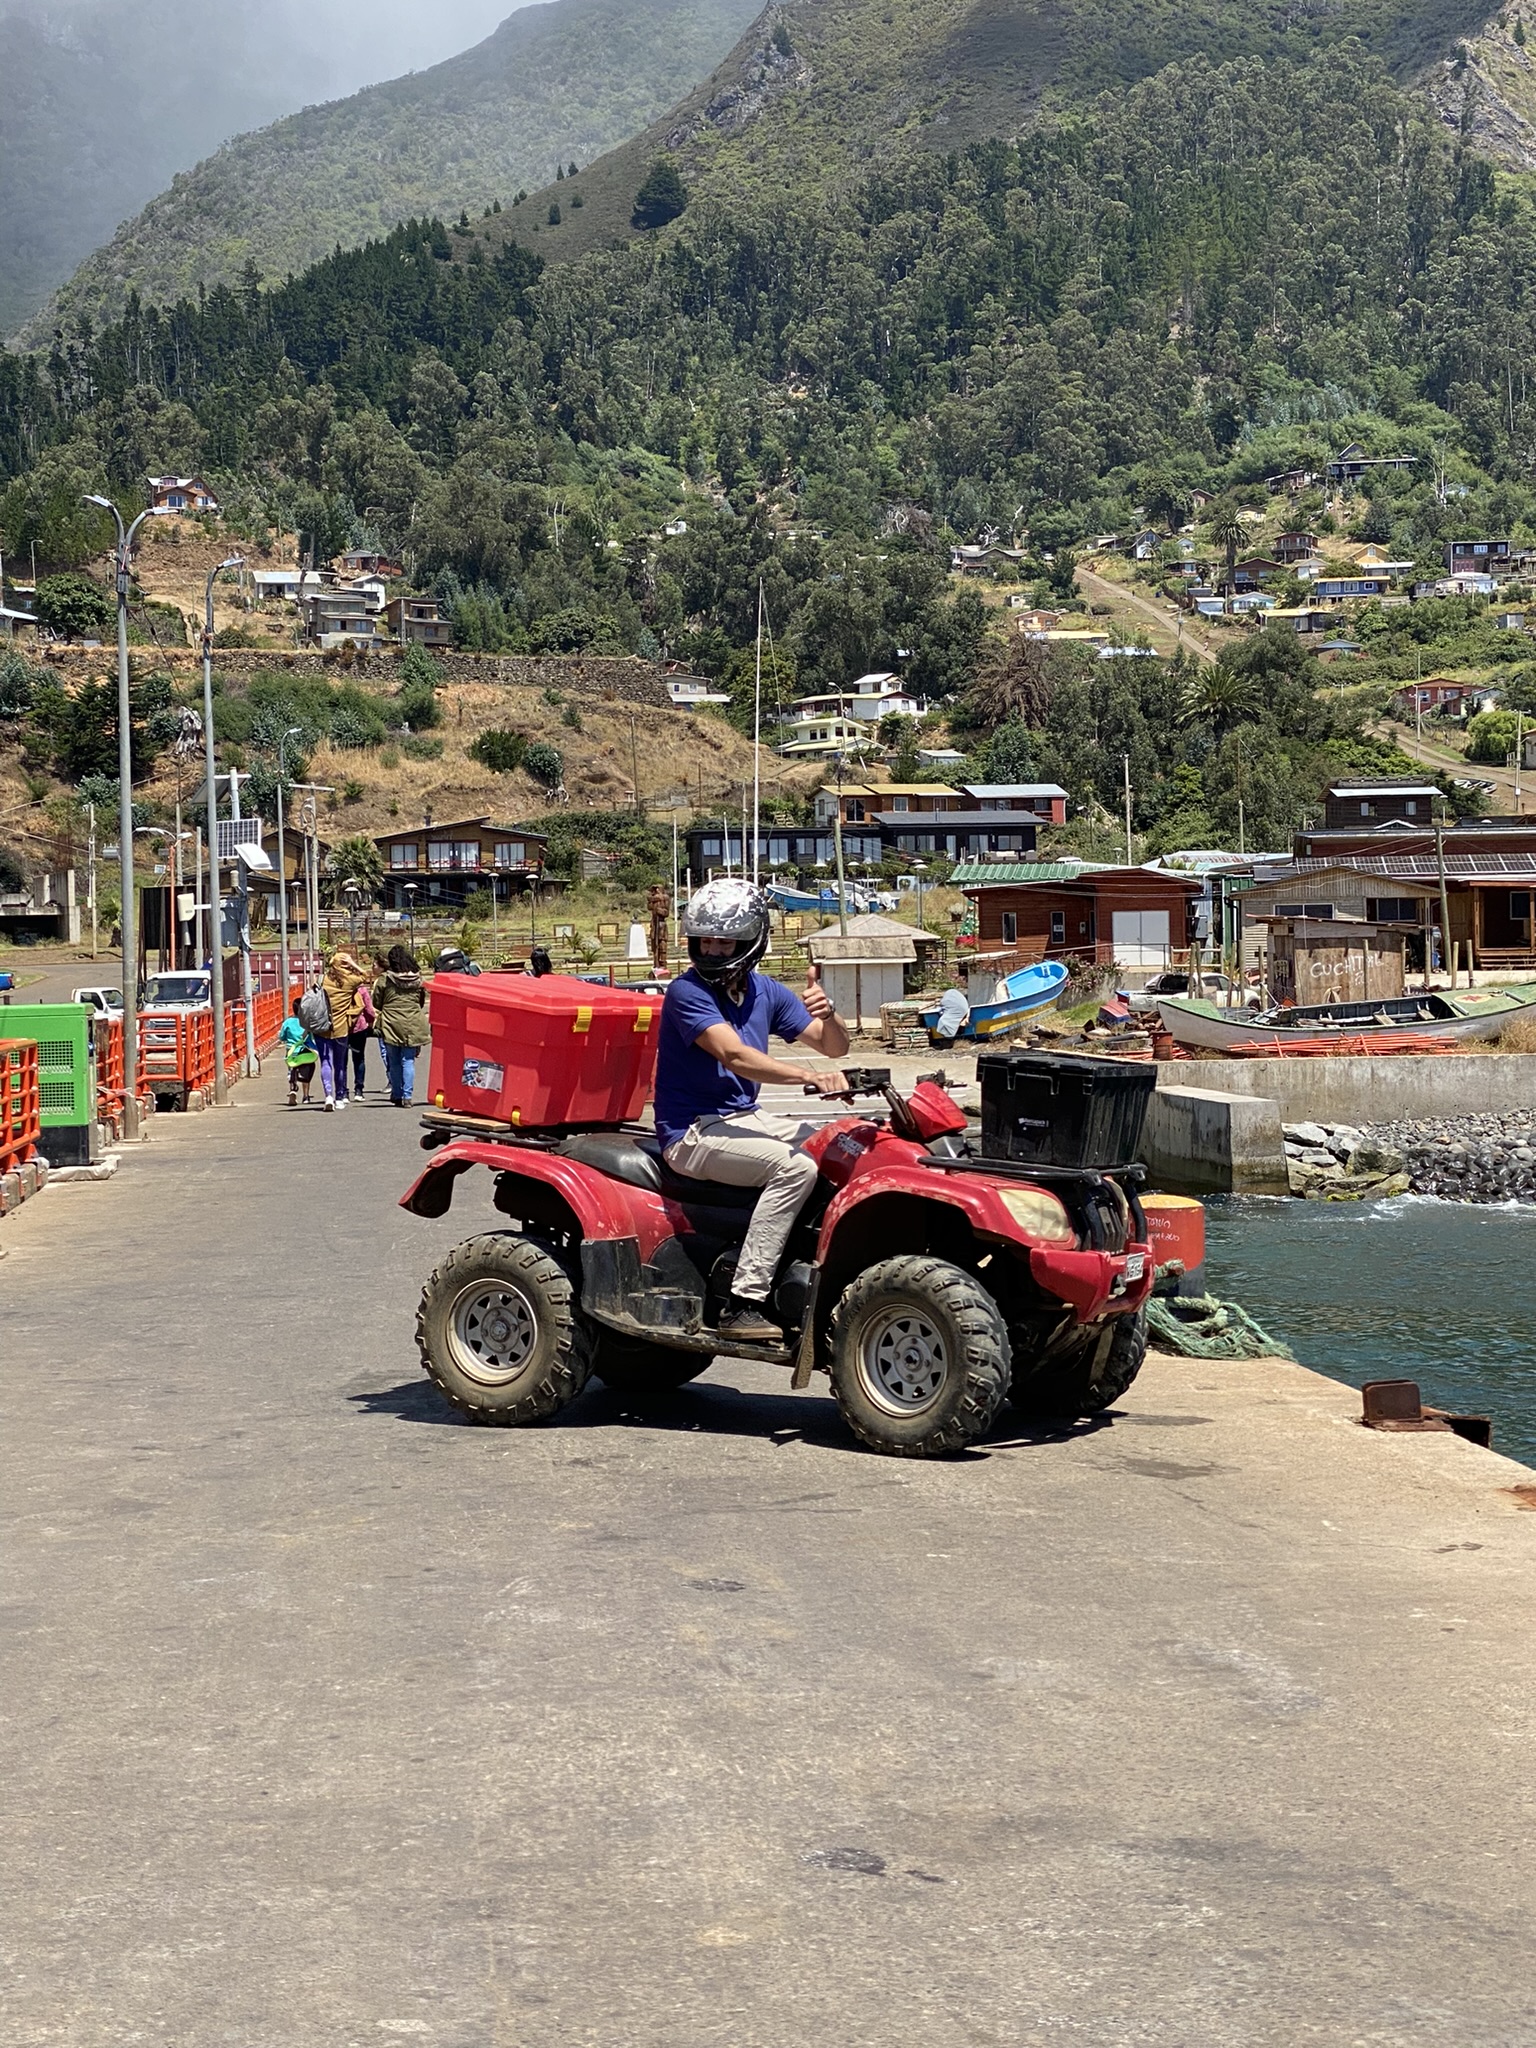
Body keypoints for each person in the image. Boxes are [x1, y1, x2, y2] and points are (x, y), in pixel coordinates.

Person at [654, 878, 849, 1343]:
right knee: (795, 1168)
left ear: (751, 942)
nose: (713, 951)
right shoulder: (686, 992)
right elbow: (736, 1055)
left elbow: (833, 1047)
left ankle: (810, 1268)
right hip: (692, 1132)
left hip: (744, 1117)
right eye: (705, 940)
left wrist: (828, 1013)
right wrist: (808, 1077)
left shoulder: (766, 992)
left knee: (841, 1147)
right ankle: (743, 1302)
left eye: (725, 942)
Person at [373, 944, 427, 1107]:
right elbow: (421, 1001)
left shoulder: (385, 979)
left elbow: (377, 1002)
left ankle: (396, 1093)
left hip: (391, 1022)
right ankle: (407, 1096)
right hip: (412, 1021)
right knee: (408, 1060)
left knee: (394, 1060)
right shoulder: (418, 979)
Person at [317, 948, 369, 1110]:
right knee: (339, 1064)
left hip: (321, 1026)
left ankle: (328, 1095)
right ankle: (340, 1097)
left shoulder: (322, 979)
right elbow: (365, 976)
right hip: (340, 1028)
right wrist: (354, 964)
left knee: (325, 1061)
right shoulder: (350, 981)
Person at [278, 997, 318, 1106]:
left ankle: (293, 1089)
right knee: (306, 1073)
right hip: (305, 1051)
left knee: (292, 1070)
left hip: (292, 1052)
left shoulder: (288, 1022)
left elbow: (282, 1037)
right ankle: (306, 1096)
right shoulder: (308, 1023)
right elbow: (314, 1035)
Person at [350, 979, 375, 1096]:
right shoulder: (361, 989)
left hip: (341, 1027)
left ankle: (342, 1092)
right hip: (359, 1026)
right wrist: (370, 1022)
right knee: (359, 1058)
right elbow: (368, 1009)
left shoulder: (338, 988)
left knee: (341, 1061)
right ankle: (358, 1090)